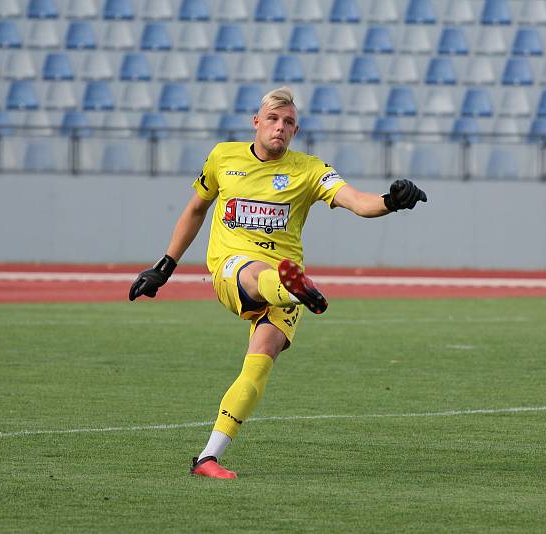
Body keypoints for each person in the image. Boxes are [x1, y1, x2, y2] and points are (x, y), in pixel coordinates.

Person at [129, 86, 427, 479]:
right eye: (272, 119)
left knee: (258, 365)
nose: (280, 127)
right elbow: (196, 209)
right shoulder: (223, 157)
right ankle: (294, 290)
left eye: (288, 123)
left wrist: (391, 201)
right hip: (232, 267)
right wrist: (164, 266)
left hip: (285, 276)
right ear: (256, 122)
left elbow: (355, 200)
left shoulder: (308, 169)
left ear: (296, 131)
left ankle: (207, 457)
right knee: (253, 273)